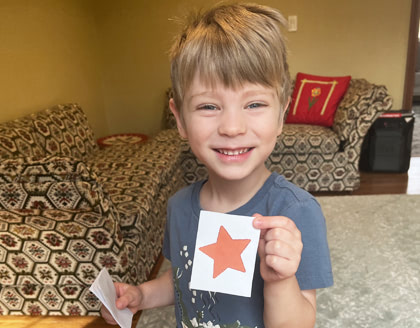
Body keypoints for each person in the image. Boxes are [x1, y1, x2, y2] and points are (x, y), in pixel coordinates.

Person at [101, 3, 333, 327]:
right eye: (209, 106)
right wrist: (142, 295)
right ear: (179, 119)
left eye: (254, 104)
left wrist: (280, 280)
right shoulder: (179, 206)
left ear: (281, 114)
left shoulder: (294, 213)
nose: (232, 127)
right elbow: (184, 277)